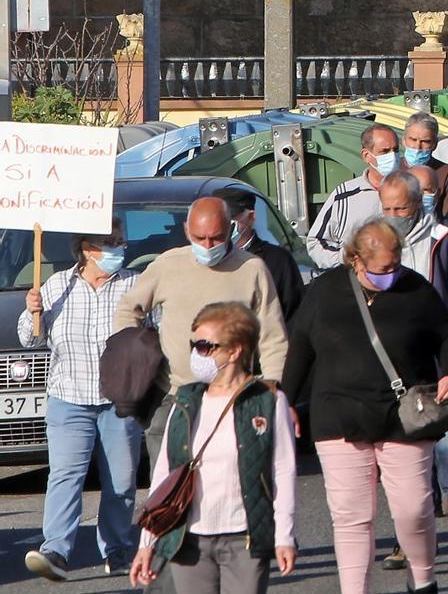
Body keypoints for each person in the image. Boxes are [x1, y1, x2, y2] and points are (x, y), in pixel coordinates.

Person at [282, 220, 448, 594]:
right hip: (339, 414)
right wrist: (285, 399)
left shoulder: (415, 288)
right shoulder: (324, 291)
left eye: (396, 265)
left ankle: (423, 578)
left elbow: (447, 335)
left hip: (404, 415)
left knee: (413, 508)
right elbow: (300, 346)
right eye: (383, 269)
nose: (392, 274)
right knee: (351, 516)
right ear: (355, 260)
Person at [131, 302, 297, 594]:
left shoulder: (268, 401)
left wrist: (284, 535)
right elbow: (163, 476)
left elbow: (283, 471)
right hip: (189, 540)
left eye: (206, 346)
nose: (197, 354)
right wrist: (147, 543)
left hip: (245, 538)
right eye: (194, 345)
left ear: (235, 351)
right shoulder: (185, 401)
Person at [21, 223, 141, 584]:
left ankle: (117, 548)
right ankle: (56, 548)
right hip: (69, 397)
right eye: (110, 242)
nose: (119, 248)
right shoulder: (57, 285)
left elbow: (160, 333)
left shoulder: (136, 285)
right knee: (65, 475)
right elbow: (29, 339)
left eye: (121, 241)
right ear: (87, 248)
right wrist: (32, 312)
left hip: (119, 399)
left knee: (121, 479)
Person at [115, 196, 288, 399]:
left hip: (233, 396)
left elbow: (272, 337)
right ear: (187, 231)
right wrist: (136, 352)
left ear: (230, 231)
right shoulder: (167, 265)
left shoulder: (252, 269)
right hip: (173, 395)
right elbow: (128, 309)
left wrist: (274, 386)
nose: (207, 246)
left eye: (216, 238)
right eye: (199, 238)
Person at [389, 167, 448, 521]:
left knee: (441, 416)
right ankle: (424, 494)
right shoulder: (377, 239)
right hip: (395, 345)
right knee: (407, 421)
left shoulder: (445, 237)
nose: (394, 217)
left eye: (401, 209)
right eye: (388, 209)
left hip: (437, 340)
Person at [305, 122, 403, 266]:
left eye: (395, 150)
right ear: (366, 155)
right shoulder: (345, 195)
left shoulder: (411, 190)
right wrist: (345, 260)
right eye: (384, 151)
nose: (392, 156)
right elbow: (316, 242)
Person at [217, 188, 304, 321]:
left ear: (251, 217)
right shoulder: (198, 259)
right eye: (219, 217)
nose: (223, 224)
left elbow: (294, 315)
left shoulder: (278, 261)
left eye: (231, 217)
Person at [400, 113, 448, 216]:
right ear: (404, 140)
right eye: (413, 139)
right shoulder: (392, 169)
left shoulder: (446, 173)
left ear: (435, 144)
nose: (417, 146)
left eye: (425, 141)